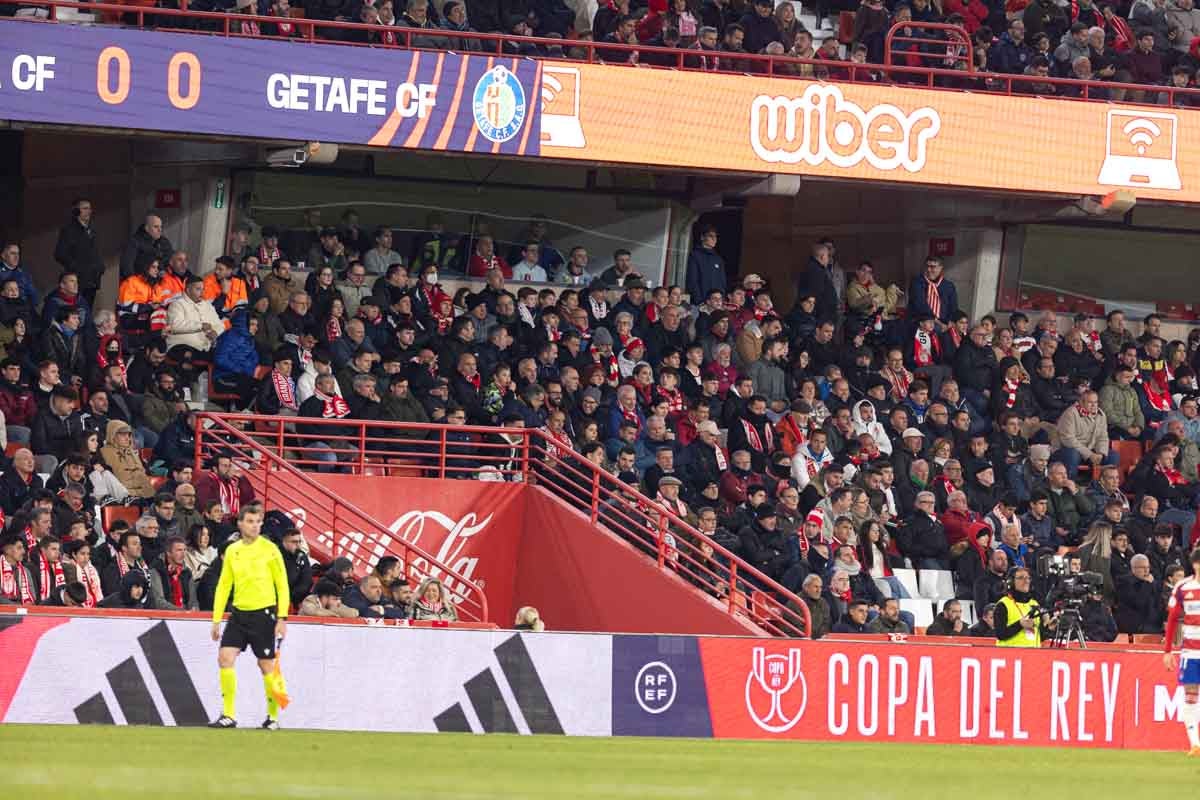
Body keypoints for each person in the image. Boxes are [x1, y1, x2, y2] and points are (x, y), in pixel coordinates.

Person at [208, 504, 290, 730]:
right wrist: (216, 619)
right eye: (251, 521)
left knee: (266, 666)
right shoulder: (233, 550)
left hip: (263, 614)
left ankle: (273, 717)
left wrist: (282, 618)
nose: (255, 526)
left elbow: (282, 585)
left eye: (258, 522)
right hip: (238, 614)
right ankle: (229, 714)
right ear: (240, 524)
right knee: (225, 657)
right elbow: (224, 585)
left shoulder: (270, 549)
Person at [1163, 548, 1200, 754]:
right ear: (1195, 565)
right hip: (1191, 651)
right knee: (1191, 695)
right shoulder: (1183, 587)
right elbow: (1172, 619)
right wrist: (1167, 651)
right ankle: (1195, 743)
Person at [995, 566, 1053, 646]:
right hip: (1010, 656)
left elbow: (1038, 637)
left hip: (1032, 655)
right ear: (1011, 582)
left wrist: (1048, 628)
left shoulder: (1034, 604)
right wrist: (1020, 624)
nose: (1026, 581)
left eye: (1028, 578)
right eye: (1021, 578)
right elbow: (1000, 634)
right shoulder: (1003, 604)